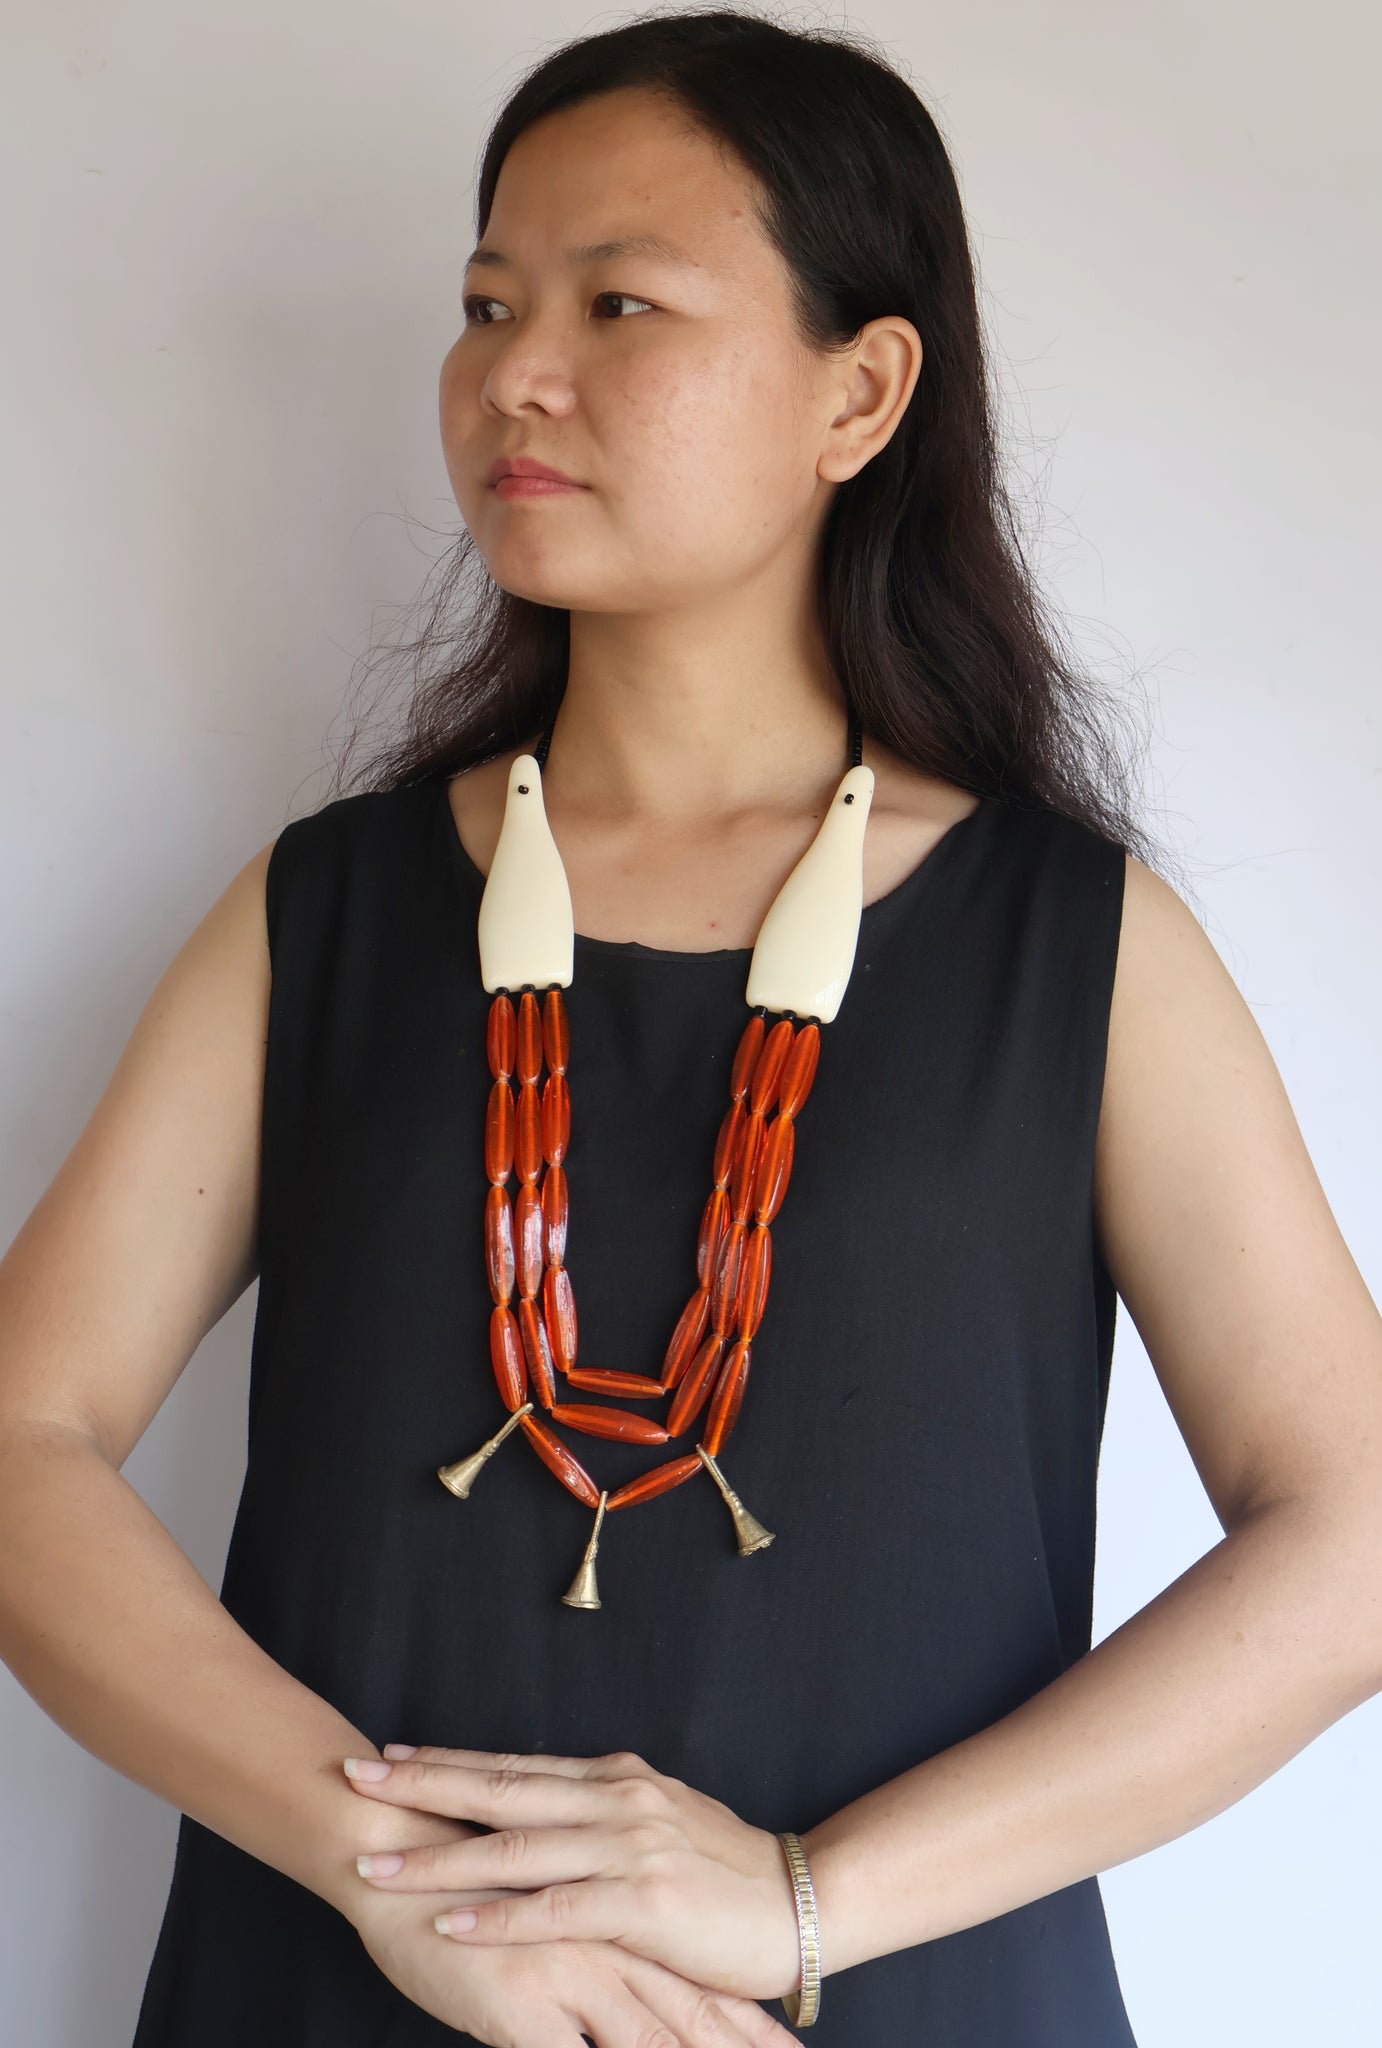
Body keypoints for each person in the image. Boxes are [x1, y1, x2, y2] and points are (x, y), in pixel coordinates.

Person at [2, 10, 1380, 2046]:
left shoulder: (1076, 948)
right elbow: (21, 1439)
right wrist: (403, 1880)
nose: (513, 373)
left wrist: (804, 1903)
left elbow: (1351, 1531)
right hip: (331, 1992)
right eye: (487, 304)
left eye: (616, 302)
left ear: (861, 392)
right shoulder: (329, 915)